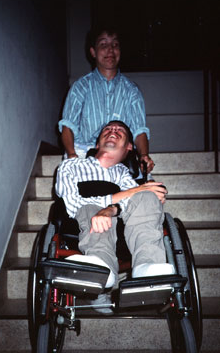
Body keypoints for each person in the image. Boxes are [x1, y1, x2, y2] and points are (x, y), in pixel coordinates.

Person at [55, 121, 174, 314]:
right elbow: (72, 203)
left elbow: (136, 201)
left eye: (120, 131)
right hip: (83, 221)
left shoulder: (124, 174)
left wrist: (112, 209)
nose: (112, 131)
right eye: (107, 129)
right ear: (96, 144)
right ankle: (101, 268)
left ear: (129, 146)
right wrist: (117, 201)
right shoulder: (71, 166)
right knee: (90, 206)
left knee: (147, 195)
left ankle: (148, 266)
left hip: (124, 226)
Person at [58, 25, 154, 175]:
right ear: (93, 52)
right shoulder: (80, 87)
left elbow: (139, 130)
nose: (110, 50)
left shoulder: (132, 90)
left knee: (147, 191)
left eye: (115, 45)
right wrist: (71, 155)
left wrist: (143, 155)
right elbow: (68, 126)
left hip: (121, 155)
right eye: (103, 44)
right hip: (84, 152)